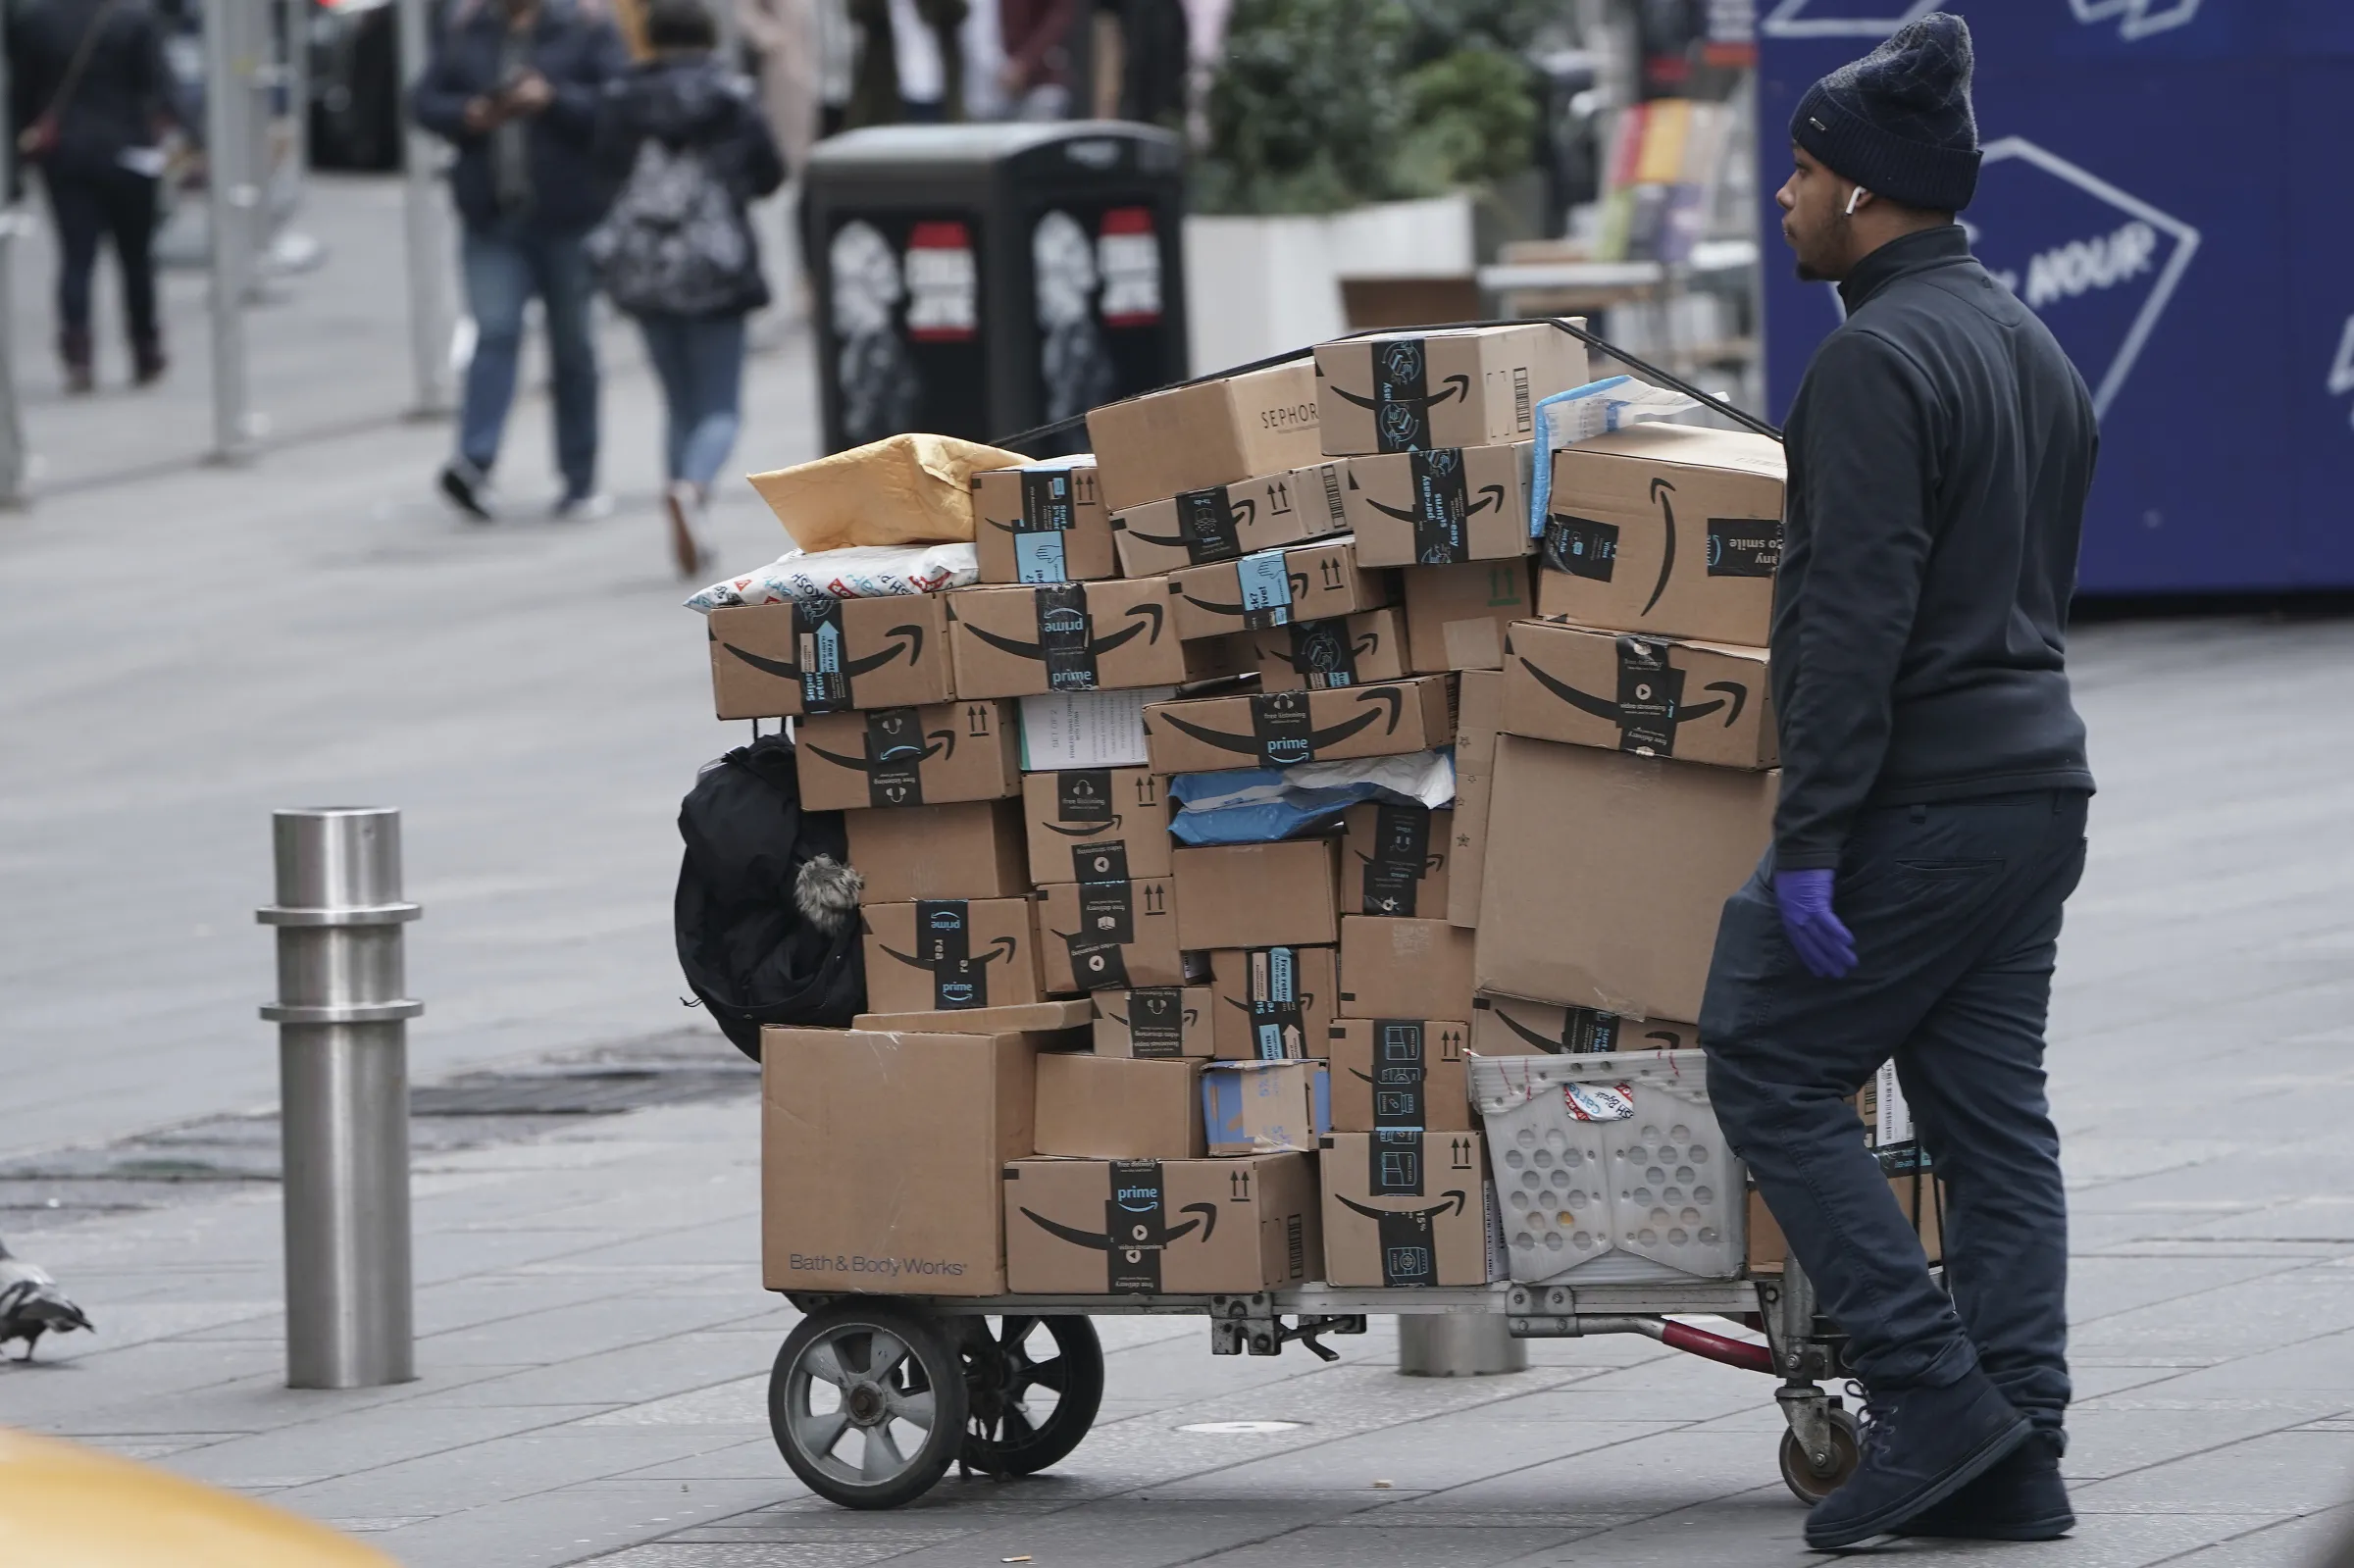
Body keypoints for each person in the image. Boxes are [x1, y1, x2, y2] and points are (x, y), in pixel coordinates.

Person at [1696, 14, 2098, 1551]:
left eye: (1801, 173)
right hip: (2036, 793)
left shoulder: (1875, 362)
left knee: (1768, 1059)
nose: (1784, 198)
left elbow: (1854, 625)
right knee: (1995, 1125)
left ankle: (1933, 1399)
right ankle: (2020, 1442)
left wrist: (1809, 841)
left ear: (1865, 194)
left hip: (1922, 799)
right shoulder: (2028, 343)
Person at [411, 0, 632, 522]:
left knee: (573, 348)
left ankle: (579, 477)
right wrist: (466, 114)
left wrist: (553, 99)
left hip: (569, 218)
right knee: (494, 332)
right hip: (493, 217)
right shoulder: (468, 26)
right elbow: (423, 100)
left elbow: (617, 108)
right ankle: (474, 463)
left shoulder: (587, 26)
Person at [590, 0, 784, 575]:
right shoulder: (730, 96)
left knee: (677, 401)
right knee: (720, 405)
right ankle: (693, 490)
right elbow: (769, 172)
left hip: (646, 264)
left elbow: (601, 168)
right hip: (713, 265)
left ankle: (682, 506)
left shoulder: (622, 98)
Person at [8, 0, 178, 392]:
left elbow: (21, 96)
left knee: (75, 257)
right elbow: (160, 88)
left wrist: (15, 169)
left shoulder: (36, 20)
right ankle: (144, 348)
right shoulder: (133, 17)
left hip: (65, 154)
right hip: (129, 151)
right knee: (136, 258)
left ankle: (78, 355)